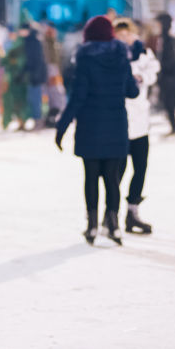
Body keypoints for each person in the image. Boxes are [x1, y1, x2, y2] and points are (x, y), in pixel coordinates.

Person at [55, 16, 139, 246]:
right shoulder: (122, 57)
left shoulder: (85, 59)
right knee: (112, 179)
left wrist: (62, 127)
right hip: (116, 126)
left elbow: (77, 97)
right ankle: (114, 225)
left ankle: (92, 226)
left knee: (91, 178)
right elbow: (132, 92)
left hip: (90, 128)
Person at [114, 18, 158, 234]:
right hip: (120, 120)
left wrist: (141, 76)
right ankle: (110, 213)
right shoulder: (112, 54)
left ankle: (133, 211)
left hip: (140, 120)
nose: (124, 38)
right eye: (119, 34)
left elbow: (153, 72)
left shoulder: (144, 54)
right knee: (117, 171)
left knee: (140, 168)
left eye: (127, 34)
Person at [1, 28, 29, 130]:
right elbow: (3, 61)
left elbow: (4, 61)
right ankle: (20, 121)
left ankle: (19, 121)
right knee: (18, 101)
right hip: (18, 79)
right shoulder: (16, 45)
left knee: (16, 101)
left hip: (18, 79)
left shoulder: (17, 46)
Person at [22, 23, 48, 129]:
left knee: (36, 99)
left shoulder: (34, 42)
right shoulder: (29, 41)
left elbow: (38, 60)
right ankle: (36, 120)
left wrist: (36, 75)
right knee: (32, 99)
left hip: (36, 76)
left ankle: (39, 121)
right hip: (33, 74)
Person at [43, 22, 66, 127]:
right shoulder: (45, 42)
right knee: (51, 97)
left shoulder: (55, 42)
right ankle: (50, 118)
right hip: (49, 71)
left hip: (55, 71)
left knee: (58, 95)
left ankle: (55, 117)